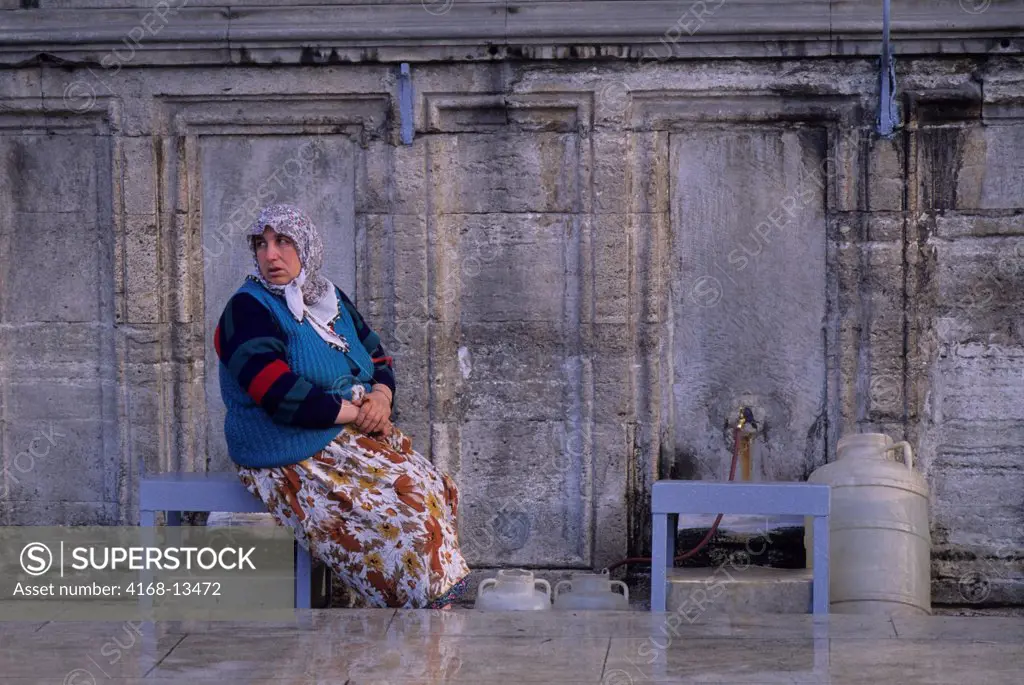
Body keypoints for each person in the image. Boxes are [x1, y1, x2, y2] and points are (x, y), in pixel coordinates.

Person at [213, 204, 469, 609]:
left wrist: (381, 398)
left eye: (283, 242)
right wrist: (358, 413)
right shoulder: (248, 309)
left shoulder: (329, 299)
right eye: (261, 245)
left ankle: (406, 607)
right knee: (406, 509)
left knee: (437, 487)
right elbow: (276, 392)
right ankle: (415, 612)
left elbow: (378, 359)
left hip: (347, 434)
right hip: (287, 447)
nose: (271, 255)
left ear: (308, 247)